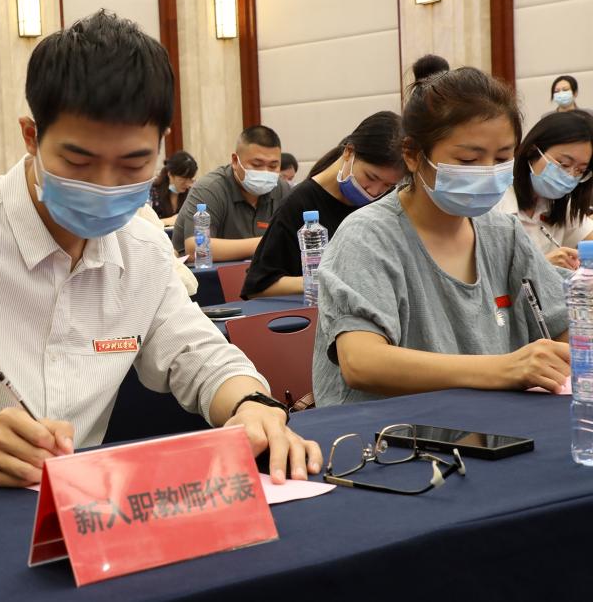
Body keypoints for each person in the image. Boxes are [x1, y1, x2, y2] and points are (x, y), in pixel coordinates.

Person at [0, 10, 321, 487]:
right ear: (31, 135)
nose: (105, 184)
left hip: (72, 510)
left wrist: (251, 405)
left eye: (133, 164)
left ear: (160, 146)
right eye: (79, 162)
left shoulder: (143, 248)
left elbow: (199, 354)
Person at [312, 67, 571, 408]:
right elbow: (361, 362)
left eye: (502, 158)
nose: (488, 172)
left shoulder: (504, 235)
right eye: (468, 159)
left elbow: (563, 327)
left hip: (491, 425)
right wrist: (505, 369)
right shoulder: (368, 236)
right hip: (394, 434)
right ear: (412, 155)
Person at [241, 111, 405, 298]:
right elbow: (258, 288)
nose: (374, 192)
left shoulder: (389, 203)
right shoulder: (300, 204)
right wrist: (323, 280)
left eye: (387, 185)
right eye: (371, 177)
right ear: (349, 152)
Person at [171, 126, 292, 261]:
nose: (265, 172)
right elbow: (197, 248)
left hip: (258, 271)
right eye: (257, 164)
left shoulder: (281, 189)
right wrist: (266, 242)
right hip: (204, 272)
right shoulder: (209, 188)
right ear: (235, 161)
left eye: (273, 166)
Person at [495, 111, 593, 270]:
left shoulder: (558, 204)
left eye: (580, 170)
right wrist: (542, 265)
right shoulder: (494, 200)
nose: (570, 176)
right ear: (533, 150)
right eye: (564, 164)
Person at [149, 150, 197, 224]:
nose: (188, 184)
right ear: (170, 175)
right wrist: (169, 221)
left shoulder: (191, 193)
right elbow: (145, 223)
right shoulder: (152, 193)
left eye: (190, 179)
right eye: (183, 179)